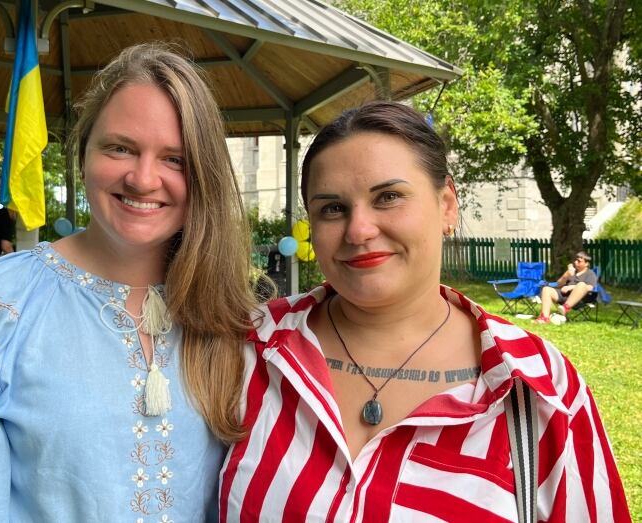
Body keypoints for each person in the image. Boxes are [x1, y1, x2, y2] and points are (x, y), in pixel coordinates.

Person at [0, 43, 257, 522]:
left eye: (175, 159)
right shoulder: (1, 300)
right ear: (83, 154)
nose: (143, 178)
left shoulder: (233, 312)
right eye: (120, 147)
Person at [219, 102, 630, 521]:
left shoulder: (540, 388)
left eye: (389, 197)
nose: (359, 230)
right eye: (333, 208)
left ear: (447, 203)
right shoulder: (250, 349)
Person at [534, 251, 597, 323]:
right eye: (576, 260)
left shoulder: (590, 274)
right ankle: (544, 318)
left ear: (586, 264)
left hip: (578, 299)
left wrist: (571, 287)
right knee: (546, 289)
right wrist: (566, 275)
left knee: (581, 284)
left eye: (579, 261)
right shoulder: (572, 271)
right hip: (564, 295)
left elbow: (590, 287)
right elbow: (558, 284)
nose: (576, 262)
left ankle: (565, 308)